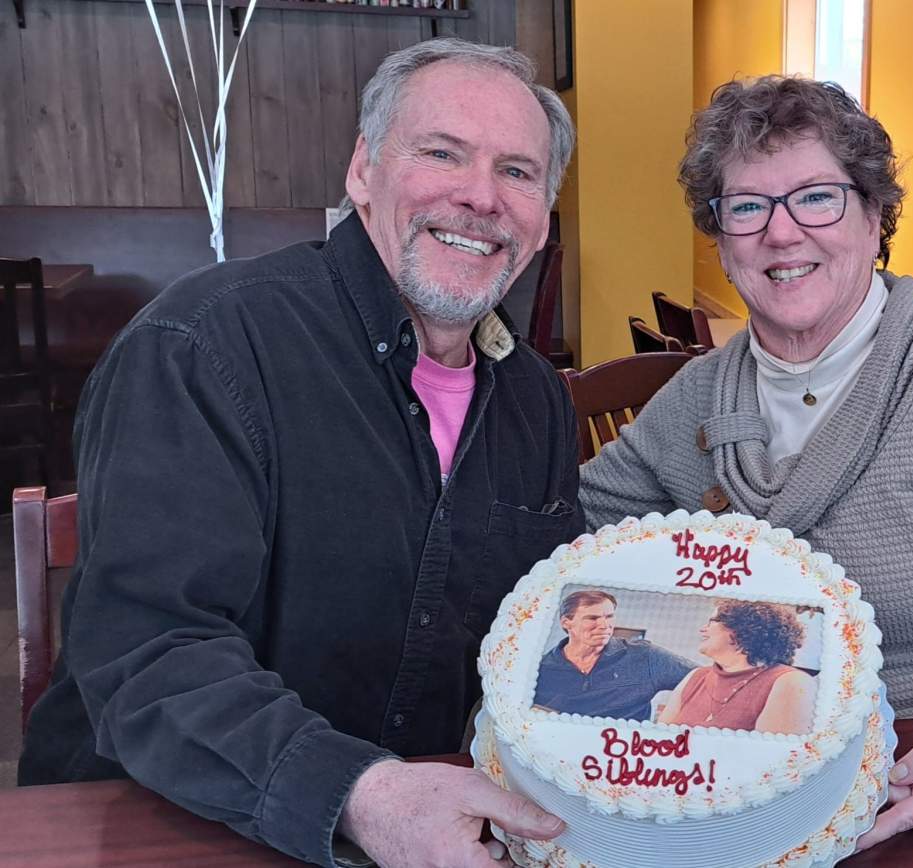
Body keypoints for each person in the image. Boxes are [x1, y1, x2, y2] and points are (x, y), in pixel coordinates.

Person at [19, 39, 583, 868]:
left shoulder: (536, 399)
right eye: (441, 153)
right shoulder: (206, 345)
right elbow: (150, 650)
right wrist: (363, 795)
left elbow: (544, 645)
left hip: (432, 834)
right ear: (363, 170)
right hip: (162, 826)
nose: (480, 197)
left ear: (542, 216)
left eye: (519, 173)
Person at [579, 75, 913, 849]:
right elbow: (567, 536)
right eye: (747, 206)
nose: (781, 232)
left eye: (816, 197)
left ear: (875, 217)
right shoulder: (695, 396)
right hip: (732, 793)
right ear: (723, 241)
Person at [658, 600, 815, 734]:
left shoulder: (790, 682)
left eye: (711, 621)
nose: (702, 629)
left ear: (742, 628)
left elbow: (772, 761)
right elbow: (660, 740)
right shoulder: (696, 676)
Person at [533, 590, 693, 720]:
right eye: (592, 618)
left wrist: (668, 724)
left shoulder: (645, 656)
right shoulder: (537, 669)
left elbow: (707, 679)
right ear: (566, 622)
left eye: (609, 617)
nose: (604, 625)